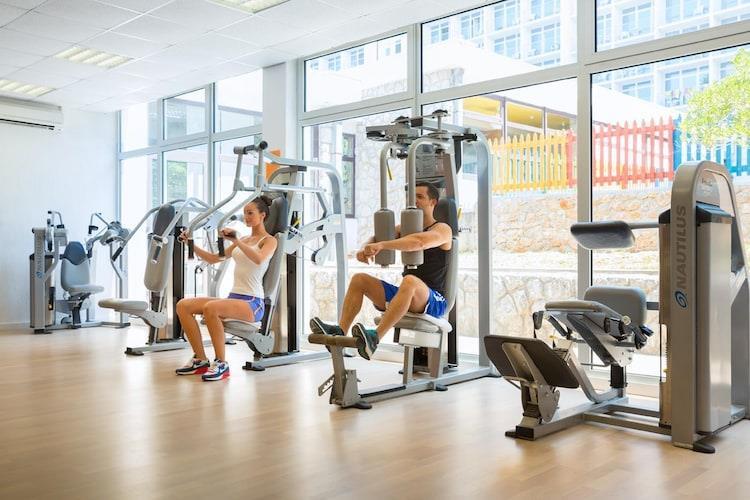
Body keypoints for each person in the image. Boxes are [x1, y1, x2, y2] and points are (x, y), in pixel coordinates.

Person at [310, 182, 452, 360]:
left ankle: (374, 339)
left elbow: (419, 242)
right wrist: (365, 248)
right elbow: (377, 237)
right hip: (407, 293)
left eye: (420, 197)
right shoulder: (405, 228)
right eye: (411, 197)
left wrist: (383, 245)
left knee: (410, 281)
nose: (414, 201)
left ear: (433, 202)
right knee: (359, 279)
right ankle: (340, 331)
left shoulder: (443, 229)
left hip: (435, 299)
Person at [174, 196, 277, 381]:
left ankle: (221, 363)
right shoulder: (244, 239)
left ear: (262, 215)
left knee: (211, 308)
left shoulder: (269, 240)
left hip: (253, 303)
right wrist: (190, 243)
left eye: (250, 213)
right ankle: (200, 359)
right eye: (245, 213)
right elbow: (214, 258)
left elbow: (259, 259)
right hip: (234, 298)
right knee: (183, 305)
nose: (246, 217)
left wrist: (236, 240)